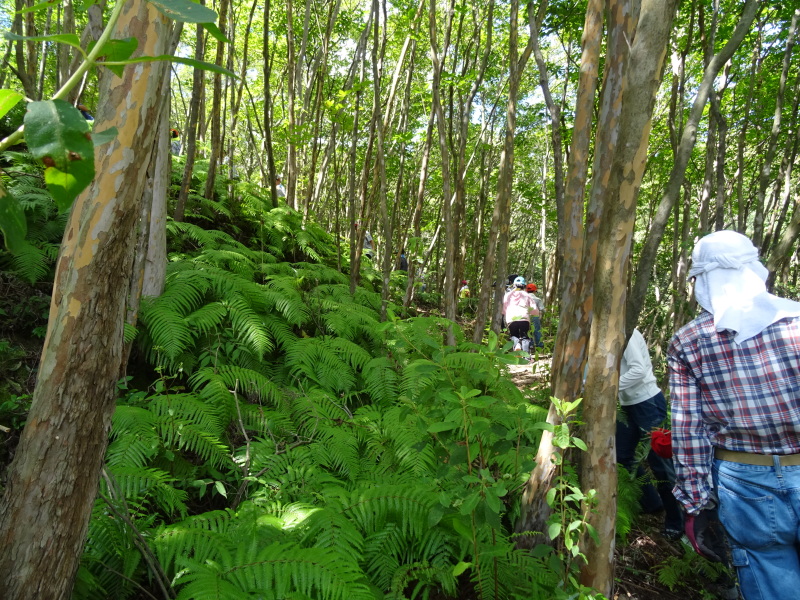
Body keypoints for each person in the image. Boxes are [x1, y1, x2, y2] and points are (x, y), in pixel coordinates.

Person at [668, 230, 800, 600]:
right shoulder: (796, 322)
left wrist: (694, 504)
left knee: (767, 572)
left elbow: (689, 430)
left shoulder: (688, 341)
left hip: (743, 481)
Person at [617, 328, 683, 539]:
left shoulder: (627, 330)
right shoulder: (603, 331)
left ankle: (677, 521)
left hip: (648, 404)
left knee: (661, 465)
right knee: (622, 457)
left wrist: (605, 386)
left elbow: (639, 370)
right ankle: (652, 502)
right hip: (626, 405)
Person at [502, 276, 536, 355]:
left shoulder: (508, 295)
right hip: (524, 318)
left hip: (511, 318)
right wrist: (534, 314)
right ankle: (526, 356)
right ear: (524, 286)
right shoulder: (527, 295)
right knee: (525, 336)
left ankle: (517, 347)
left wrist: (504, 314)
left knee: (514, 335)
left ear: (514, 285)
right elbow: (533, 309)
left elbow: (504, 308)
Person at [525, 283, 545, 348]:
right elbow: (542, 309)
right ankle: (539, 345)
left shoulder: (523, 298)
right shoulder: (538, 299)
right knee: (537, 330)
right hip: (535, 316)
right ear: (534, 291)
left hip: (525, 316)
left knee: (527, 330)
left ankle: (530, 344)